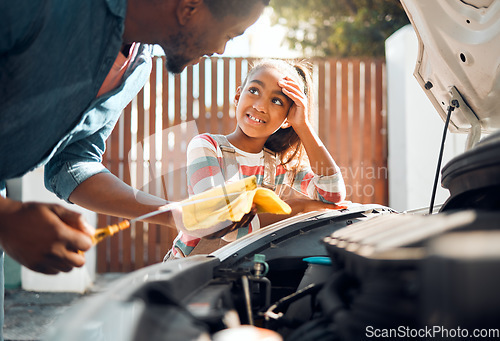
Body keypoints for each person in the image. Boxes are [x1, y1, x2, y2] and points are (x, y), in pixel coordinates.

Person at [0, 0, 267, 338]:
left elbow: (72, 162)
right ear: (190, 8)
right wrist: (5, 217)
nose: (219, 49)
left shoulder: (137, 68)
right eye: (230, 34)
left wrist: (176, 213)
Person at [168, 59, 347, 258]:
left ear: (288, 119)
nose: (260, 106)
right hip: (189, 272)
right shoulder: (207, 147)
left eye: (276, 101)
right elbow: (219, 222)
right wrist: (298, 206)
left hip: (246, 272)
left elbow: (331, 194)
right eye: (254, 90)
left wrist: (303, 126)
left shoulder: (279, 165)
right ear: (237, 96)